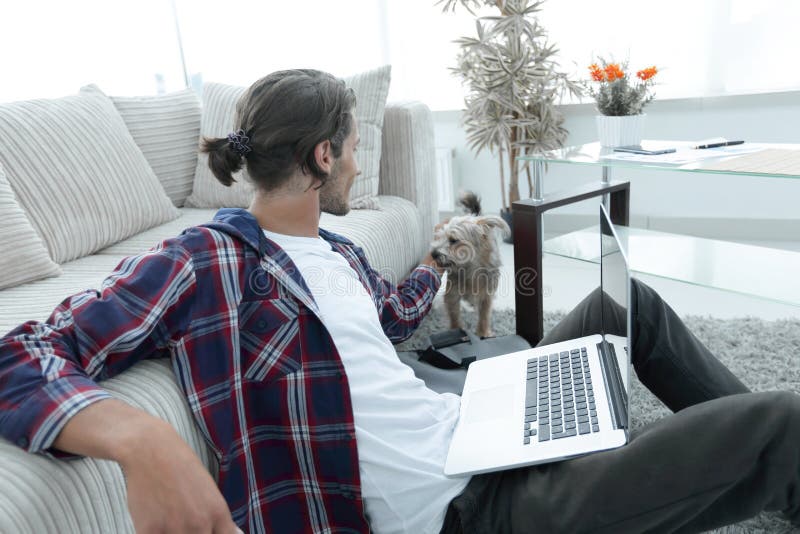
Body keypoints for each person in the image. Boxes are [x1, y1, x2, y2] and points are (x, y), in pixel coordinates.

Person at [0, 69, 799, 534]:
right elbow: (22, 354)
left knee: (632, 307)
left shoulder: (335, 249)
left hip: (474, 427)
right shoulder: (207, 256)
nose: (358, 168)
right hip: (470, 508)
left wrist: (435, 259)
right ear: (323, 154)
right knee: (782, 422)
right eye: (353, 150)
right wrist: (143, 441)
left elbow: (384, 320)